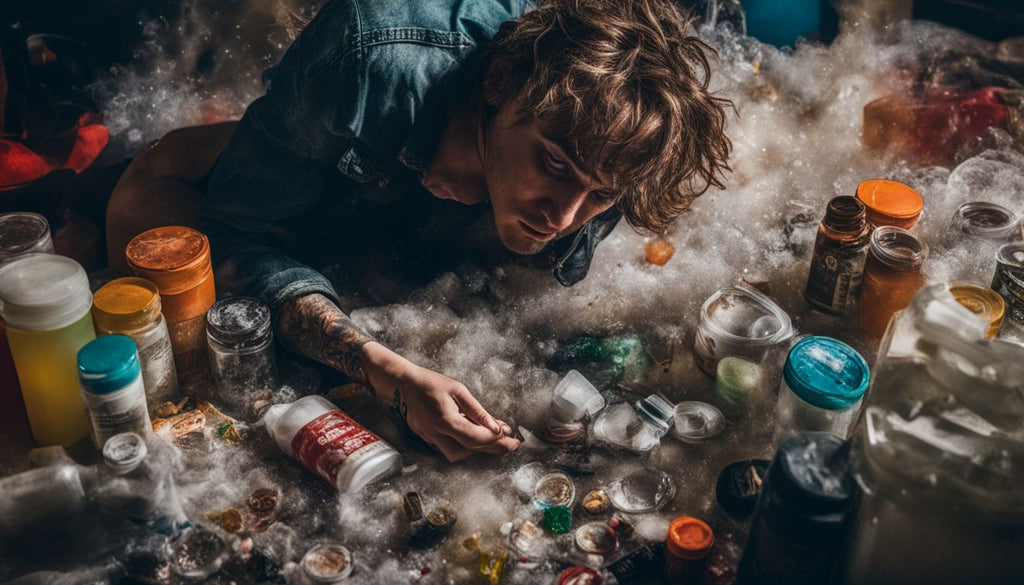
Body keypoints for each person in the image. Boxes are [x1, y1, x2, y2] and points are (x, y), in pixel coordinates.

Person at [106, 0, 732, 462]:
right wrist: (387, 371)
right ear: (498, 85)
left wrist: (493, 179)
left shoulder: (617, 148)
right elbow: (234, 230)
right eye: (555, 163)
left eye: (598, 193)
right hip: (321, 139)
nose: (564, 216)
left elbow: (555, 237)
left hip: (442, 138)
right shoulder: (367, 64)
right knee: (148, 234)